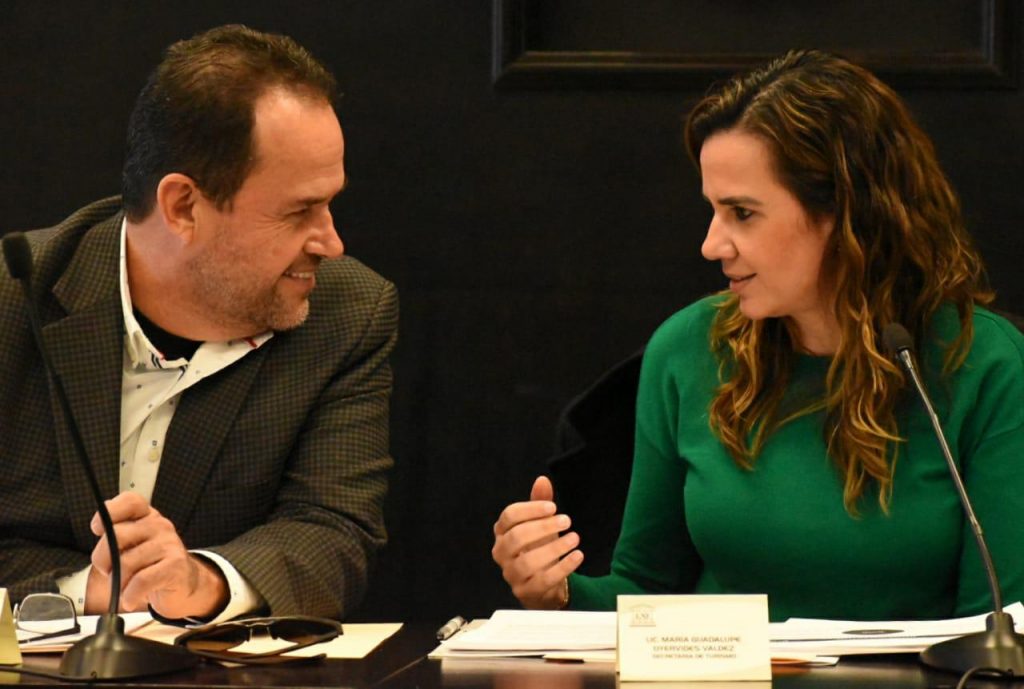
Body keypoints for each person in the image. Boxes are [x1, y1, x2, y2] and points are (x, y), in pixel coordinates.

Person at [492, 49, 1024, 621]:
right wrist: (557, 593)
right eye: (713, 210)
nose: (711, 245)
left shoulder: (984, 364)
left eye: (742, 213)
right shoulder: (688, 349)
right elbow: (647, 592)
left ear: (848, 213)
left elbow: (999, 623)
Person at [0, 25, 398, 623]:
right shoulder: (13, 299)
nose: (331, 242)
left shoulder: (347, 313)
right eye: (299, 212)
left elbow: (333, 530)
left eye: (329, 203)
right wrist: (83, 593)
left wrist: (201, 580)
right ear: (183, 206)